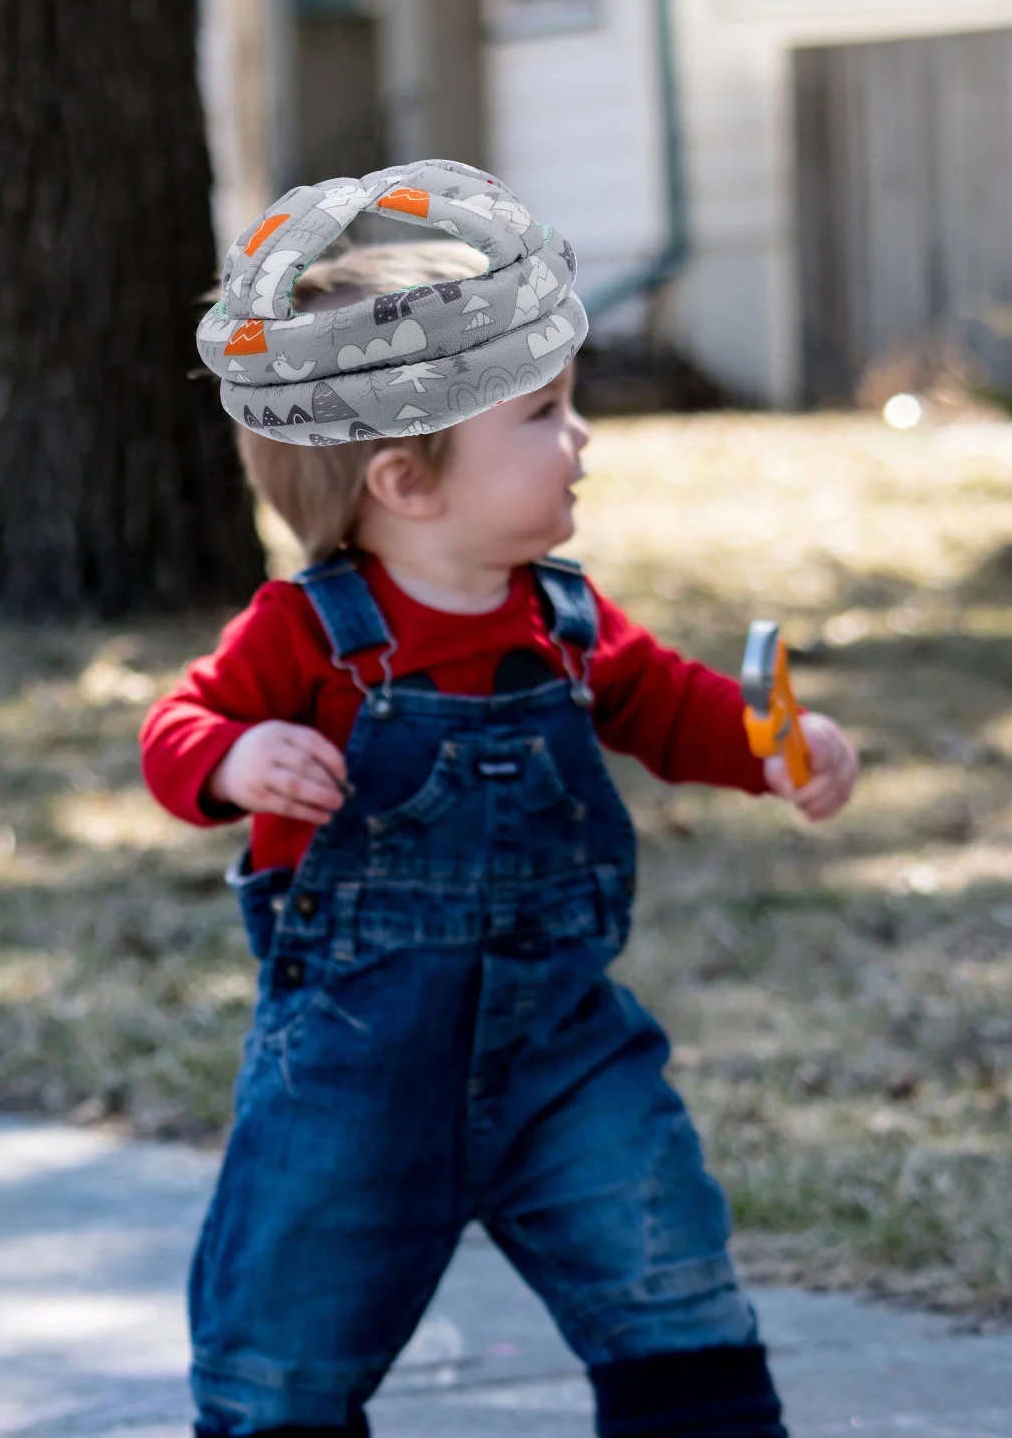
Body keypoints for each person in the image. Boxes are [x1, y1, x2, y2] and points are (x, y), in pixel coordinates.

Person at [140, 160, 858, 1438]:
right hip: (351, 1083)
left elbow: (673, 705)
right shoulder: (306, 633)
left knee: (668, 1273)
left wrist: (776, 746)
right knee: (285, 1346)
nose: (579, 440)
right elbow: (176, 726)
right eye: (542, 414)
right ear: (406, 484)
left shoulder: (566, 618)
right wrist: (235, 761)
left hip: (565, 1056)